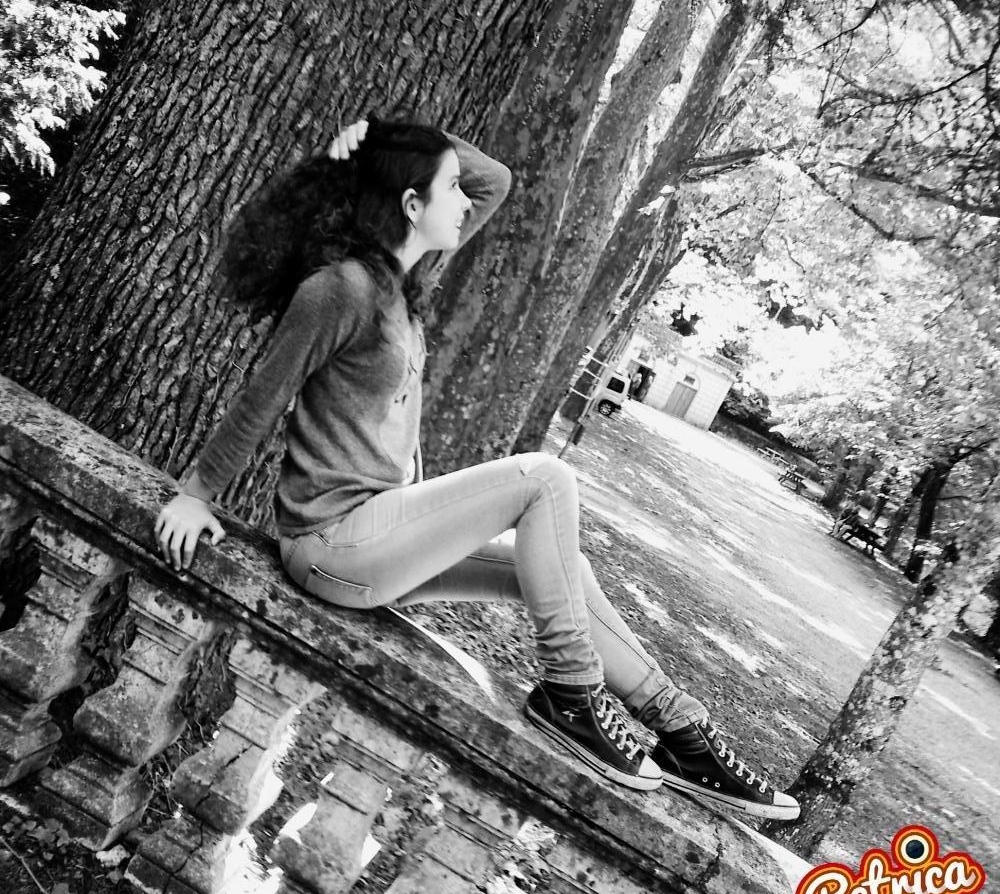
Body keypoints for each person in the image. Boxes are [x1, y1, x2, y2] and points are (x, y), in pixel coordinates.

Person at [154, 118, 799, 820]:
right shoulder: (340, 290)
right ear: (410, 204)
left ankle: (682, 732)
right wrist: (196, 494)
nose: (466, 201)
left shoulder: (400, 283)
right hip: (332, 545)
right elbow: (262, 397)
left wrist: (379, 136)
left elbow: (496, 181)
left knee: (561, 568)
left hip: (379, 537)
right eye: (449, 189)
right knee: (545, 479)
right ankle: (570, 694)